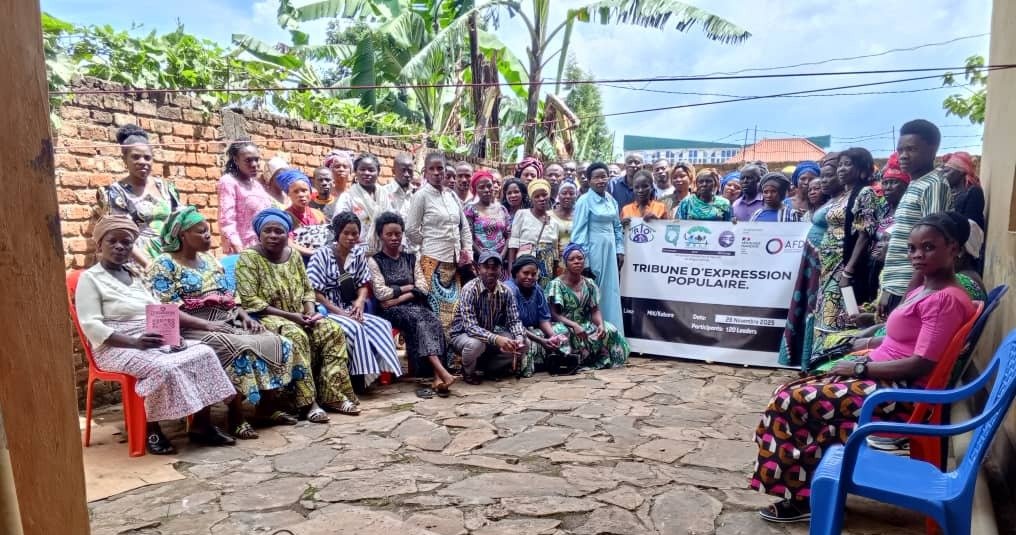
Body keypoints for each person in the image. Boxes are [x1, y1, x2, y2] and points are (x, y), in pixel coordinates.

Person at [752, 211, 977, 523]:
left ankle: (804, 498)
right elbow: (902, 336)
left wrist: (859, 370)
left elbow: (921, 363)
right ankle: (819, 490)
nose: (917, 255)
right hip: (882, 377)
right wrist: (868, 347)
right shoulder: (927, 287)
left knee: (790, 401)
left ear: (953, 248)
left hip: (897, 394)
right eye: (912, 248)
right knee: (794, 388)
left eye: (928, 248)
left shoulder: (945, 299)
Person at [76, 216, 236, 454]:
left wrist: (171, 335)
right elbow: (91, 325)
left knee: (203, 352)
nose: (120, 247)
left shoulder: (135, 275)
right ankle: (151, 429)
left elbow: (157, 310)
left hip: (150, 338)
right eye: (113, 241)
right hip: (115, 346)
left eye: (127, 242)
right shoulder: (91, 279)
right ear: (100, 245)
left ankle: (202, 425)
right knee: (162, 367)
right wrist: (134, 342)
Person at [148, 207, 298, 439]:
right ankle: (236, 416)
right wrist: (208, 326)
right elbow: (166, 310)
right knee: (238, 348)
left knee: (276, 340)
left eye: (208, 231)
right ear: (182, 235)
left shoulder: (209, 260)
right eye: (201, 232)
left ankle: (267, 406)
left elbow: (230, 297)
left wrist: (245, 317)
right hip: (189, 327)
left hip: (224, 319)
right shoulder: (163, 264)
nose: (208, 236)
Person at [235, 208, 359, 421]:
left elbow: (307, 289)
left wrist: (310, 313)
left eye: (279, 231)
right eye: (268, 231)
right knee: (296, 336)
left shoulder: (293, 256)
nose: (274, 235)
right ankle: (308, 402)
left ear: (287, 234)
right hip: (267, 317)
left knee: (332, 330)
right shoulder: (249, 258)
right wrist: (293, 317)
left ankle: (333, 395)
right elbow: (250, 301)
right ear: (259, 233)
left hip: (300, 315)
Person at [308, 212, 401, 392]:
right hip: (326, 309)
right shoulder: (321, 255)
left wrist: (359, 302)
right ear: (337, 233)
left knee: (382, 324)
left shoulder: (358, 253)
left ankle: (384, 373)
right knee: (355, 328)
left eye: (355, 233)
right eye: (346, 233)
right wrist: (340, 312)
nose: (351, 238)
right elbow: (315, 293)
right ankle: (360, 378)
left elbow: (363, 283)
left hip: (349, 306)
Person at [368, 212, 456, 397]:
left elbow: (423, 288)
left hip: (408, 305)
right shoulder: (374, 261)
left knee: (432, 318)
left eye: (397, 234)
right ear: (380, 235)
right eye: (389, 234)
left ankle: (437, 375)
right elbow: (380, 293)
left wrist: (399, 296)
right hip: (390, 312)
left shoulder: (411, 258)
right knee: (421, 318)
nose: (394, 238)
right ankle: (441, 373)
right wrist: (410, 288)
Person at [878, 120, 950, 317]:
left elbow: (930, 246)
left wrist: (909, 295)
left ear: (932, 149)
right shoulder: (916, 183)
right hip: (897, 287)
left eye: (911, 149)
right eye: (900, 150)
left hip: (911, 290)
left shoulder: (933, 185)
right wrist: (887, 288)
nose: (903, 156)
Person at [813, 147, 880, 340]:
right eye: (840, 165)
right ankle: (820, 358)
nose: (841, 169)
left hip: (844, 265)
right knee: (825, 310)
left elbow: (864, 234)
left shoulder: (865, 193)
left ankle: (836, 356)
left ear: (862, 169)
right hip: (828, 265)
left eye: (847, 164)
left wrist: (848, 270)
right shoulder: (842, 196)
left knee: (839, 314)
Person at [777, 168, 840, 369]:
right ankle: (802, 359)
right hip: (810, 262)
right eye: (810, 188)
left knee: (817, 310)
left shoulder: (838, 203)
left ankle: (814, 360)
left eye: (818, 187)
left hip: (826, 263)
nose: (813, 191)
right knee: (805, 308)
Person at [96, 125, 181, 268]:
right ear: (125, 159)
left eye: (147, 157)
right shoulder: (116, 193)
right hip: (135, 264)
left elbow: (183, 223)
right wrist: (150, 266)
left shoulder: (167, 188)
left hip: (170, 259)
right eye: (135, 157)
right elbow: (121, 236)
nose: (142, 162)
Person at [405, 152, 473, 330]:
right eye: (431, 169)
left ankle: (453, 356)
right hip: (432, 262)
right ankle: (434, 356)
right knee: (436, 315)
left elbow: (464, 227)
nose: (436, 173)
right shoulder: (421, 196)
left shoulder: (451, 196)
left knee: (455, 313)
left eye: (440, 168)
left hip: (454, 264)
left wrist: (467, 251)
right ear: (425, 172)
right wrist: (430, 241)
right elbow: (411, 230)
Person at [448, 251, 527, 384]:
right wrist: (497, 339)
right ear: (479, 269)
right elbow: (471, 328)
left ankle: (490, 369)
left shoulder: (505, 291)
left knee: (523, 343)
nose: (490, 271)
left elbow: (514, 321)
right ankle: (468, 373)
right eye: (486, 267)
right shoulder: (470, 289)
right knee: (475, 344)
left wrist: (518, 338)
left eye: (495, 267)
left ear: (501, 270)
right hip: (463, 336)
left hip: (488, 336)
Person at [547, 244, 630, 370]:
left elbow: (595, 310)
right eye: (572, 259)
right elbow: (554, 314)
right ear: (565, 263)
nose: (577, 262)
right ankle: (568, 361)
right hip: (564, 324)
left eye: (580, 258)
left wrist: (600, 324)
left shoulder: (589, 283)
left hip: (584, 324)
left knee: (610, 329)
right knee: (561, 333)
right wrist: (574, 325)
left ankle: (601, 358)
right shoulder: (556, 284)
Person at [571, 162, 625, 332]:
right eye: (596, 177)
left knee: (611, 292)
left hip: (610, 252)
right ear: (589, 180)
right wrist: (583, 262)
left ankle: (613, 334)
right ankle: (595, 335)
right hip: (593, 250)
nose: (601, 180)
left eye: (604, 176)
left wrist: (619, 249)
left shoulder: (611, 200)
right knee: (595, 293)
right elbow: (579, 232)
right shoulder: (584, 201)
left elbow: (617, 227)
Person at [506, 255, 567, 377]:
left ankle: (560, 362)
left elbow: (544, 319)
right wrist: (542, 340)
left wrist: (553, 336)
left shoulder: (537, 289)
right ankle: (522, 369)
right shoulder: (509, 290)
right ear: (516, 272)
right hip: (512, 330)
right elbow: (514, 324)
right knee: (527, 341)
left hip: (533, 328)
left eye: (533, 274)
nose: (529, 277)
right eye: (525, 273)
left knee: (561, 331)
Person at [218, 140, 275, 254]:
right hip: (244, 249)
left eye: (256, 159)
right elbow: (226, 220)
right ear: (236, 160)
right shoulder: (229, 182)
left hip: (264, 247)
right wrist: (239, 249)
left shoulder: (256, 185)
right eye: (248, 160)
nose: (254, 164)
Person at [867, 154, 910, 295]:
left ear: (906, 186)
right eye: (885, 183)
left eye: (894, 182)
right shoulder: (882, 209)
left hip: (895, 272)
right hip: (872, 268)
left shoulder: (908, 212)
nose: (888, 187)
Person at [507, 179, 561, 288]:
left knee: (543, 297)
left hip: (547, 268)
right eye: (537, 196)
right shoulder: (522, 214)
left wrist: (555, 276)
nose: (541, 199)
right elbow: (513, 244)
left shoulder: (554, 222)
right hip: (525, 267)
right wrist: (511, 269)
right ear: (531, 198)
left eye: (544, 195)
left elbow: (555, 253)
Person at [335, 153, 392, 252]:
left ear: (378, 172)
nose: (367, 173)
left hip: (383, 251)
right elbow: (338, 226)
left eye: (371, 170)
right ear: (355, 172)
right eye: (362, 169)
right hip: (355, 252)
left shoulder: (384, 194)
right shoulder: (348, 197)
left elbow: (391, 221)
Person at [279, 169, 331, 258]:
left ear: (310, 192)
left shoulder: (318, 214)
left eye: (304, 190)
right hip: (297, 260)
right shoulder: (285, 217)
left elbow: (327, 236)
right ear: (289, 194)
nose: (301, 195)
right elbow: (286, 242)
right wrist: (312, 252)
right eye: (296, 191)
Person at [463, 169, 511, 261]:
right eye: (481, 187)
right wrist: (484, 256)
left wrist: (502, 256)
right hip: (479, 261)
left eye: (489, 186)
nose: (486, 190)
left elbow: (509, 236)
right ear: (475, 190)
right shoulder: (470, 210)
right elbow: (468, 237)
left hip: (500, 261)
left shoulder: (502, 210)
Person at [941, 151, 985, 241]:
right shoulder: (947, 193)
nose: (944, 176)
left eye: (947, 171)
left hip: (963, 248)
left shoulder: (974, 192)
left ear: (961, 172)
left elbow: (972, 228)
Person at [551, 181, 577, 264]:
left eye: (571, 193)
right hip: (554, 261)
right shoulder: (549, 215)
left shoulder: (580, 216)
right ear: (558, 195)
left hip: (576, 260)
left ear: (576, 196)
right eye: (564, 193)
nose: (568, 196)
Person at [385, 152, 416, 219]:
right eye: (403, 170)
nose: (407, 174)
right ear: (393, 171)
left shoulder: (416, 193)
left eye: (410, 171)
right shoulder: (384, 192)